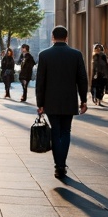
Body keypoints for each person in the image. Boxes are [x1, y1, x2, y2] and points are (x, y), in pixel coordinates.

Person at [35, 26, 88, 180]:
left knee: (55, 131)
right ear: (67, 37)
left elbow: (40, 82)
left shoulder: (44, 55)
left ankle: (58, 165)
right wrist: (83, 100)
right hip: (69, 101)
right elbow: (82, 79)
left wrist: (40, 104)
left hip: (50, 101)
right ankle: (61, 165)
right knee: (66, 132)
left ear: (52, 37)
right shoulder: (76, 55)